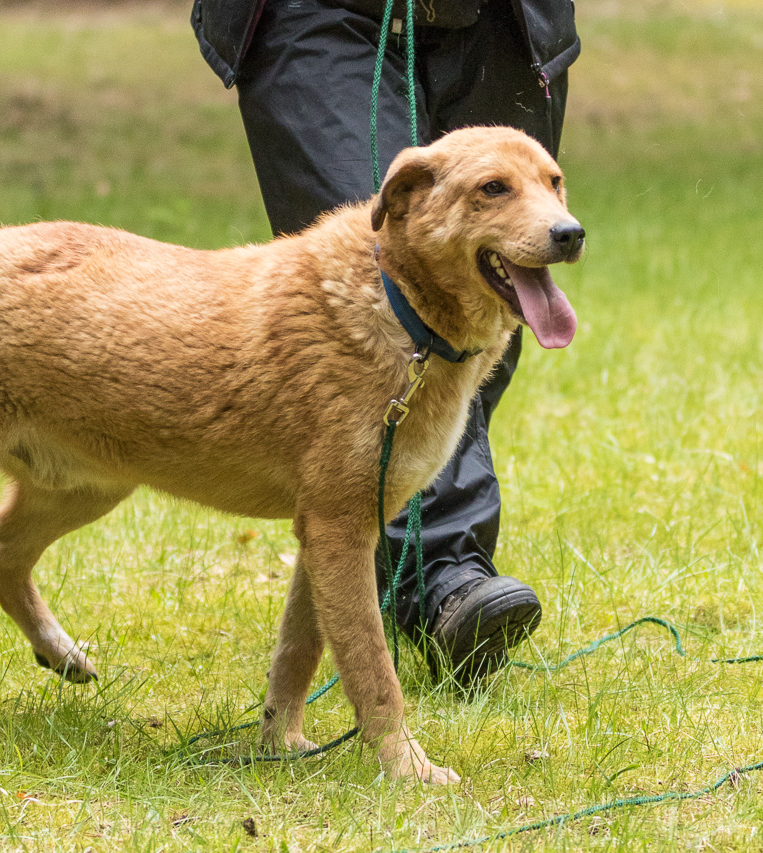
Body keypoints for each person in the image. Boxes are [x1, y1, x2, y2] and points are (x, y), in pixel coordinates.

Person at [191, 0, 580, 686]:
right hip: (315, 12)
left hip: (502, 17)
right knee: (394, 282)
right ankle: (444, 577)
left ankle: (382, 543)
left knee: (488, 290)